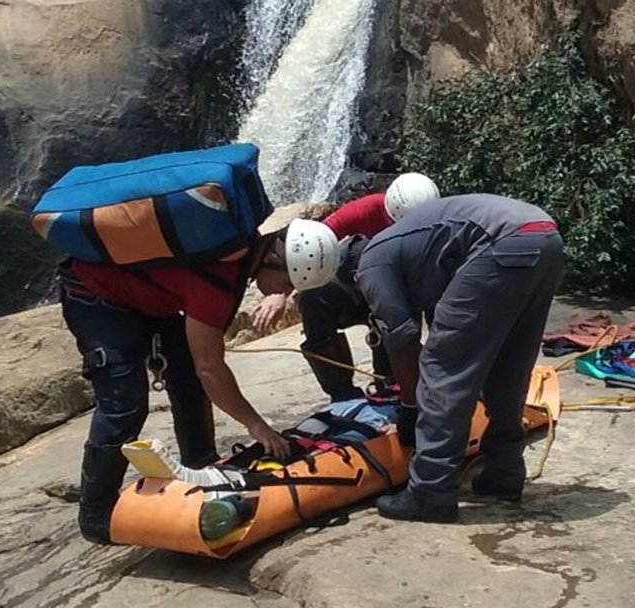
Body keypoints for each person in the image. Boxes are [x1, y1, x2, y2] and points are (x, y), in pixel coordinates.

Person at [60, 218, 339, 544]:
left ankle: (200, 462)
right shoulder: (219, 277)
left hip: (145, 295)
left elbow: (201, 365)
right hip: (93, 292)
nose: (285, 292)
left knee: (187, 376)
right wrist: (257, 425)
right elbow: (210, 367)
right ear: (274, 260)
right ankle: (96, 512)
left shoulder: (235, 246)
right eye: (287, 283)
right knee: (124, 402)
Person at [352, 194, 565, 522]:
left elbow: (403, 339)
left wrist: (411, 409)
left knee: (441, 366)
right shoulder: (409, 245)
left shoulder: (370, 263)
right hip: (545, 234)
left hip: (503, 241)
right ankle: (504, 473)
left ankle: (430, 491)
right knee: (509, 364)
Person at [250, 173, 440, 402]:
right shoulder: (367, 209)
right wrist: (280, 292)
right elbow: (311, 249)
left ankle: (394, 384)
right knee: (314, 300)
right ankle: (342, 393)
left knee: (396, 341)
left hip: (399, 294)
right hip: (356, 284)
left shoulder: (436, 228)